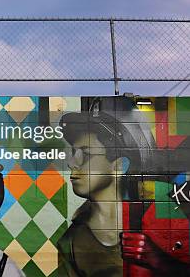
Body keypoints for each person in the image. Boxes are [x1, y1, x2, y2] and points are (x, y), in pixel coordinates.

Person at [56, 97, 156, 276]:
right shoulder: (71, 242)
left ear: (118, 166)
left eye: (85, 153)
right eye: (73, 152)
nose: (72, 163)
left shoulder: (153, 227)